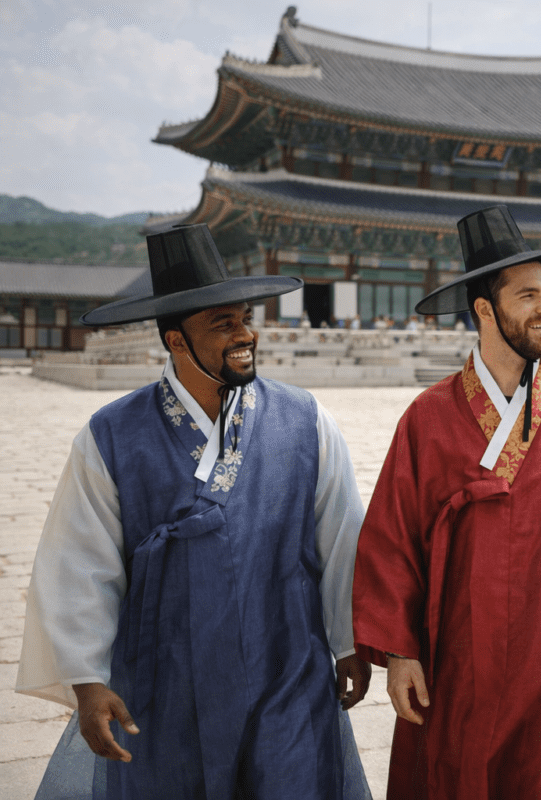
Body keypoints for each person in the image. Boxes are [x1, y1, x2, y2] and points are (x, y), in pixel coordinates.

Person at [16, 223, 371, 799]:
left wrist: (351, 640)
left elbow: (342, 538)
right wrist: (86, 680)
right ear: (176, 341)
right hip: (163, 678)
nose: (245, 334)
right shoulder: (112, 436)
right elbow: (79, 563)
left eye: (245, 318)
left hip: (286, 663)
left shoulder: (305, 421)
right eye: (222, 324)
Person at [353, 205, 541, 799]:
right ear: (485, 311)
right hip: (457, 664)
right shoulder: (428, 418)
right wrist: (399, 652)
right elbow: (392, 541)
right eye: (527, 295)